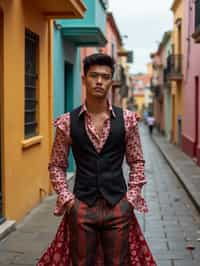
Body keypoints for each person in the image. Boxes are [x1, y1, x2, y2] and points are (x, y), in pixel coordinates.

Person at [37, 53, 156, 266]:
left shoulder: (128, 120)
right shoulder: (66, 122)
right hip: (82, 206)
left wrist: (130, 199)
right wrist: (69, 201)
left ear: (112, 80)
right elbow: (57, 164)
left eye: (105, 76)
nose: (99, 81)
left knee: (119, 262)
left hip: (118, 205)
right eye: (94, 76)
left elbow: (137, 161)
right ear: (84, 79)